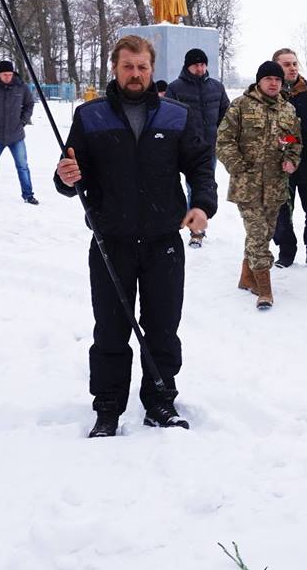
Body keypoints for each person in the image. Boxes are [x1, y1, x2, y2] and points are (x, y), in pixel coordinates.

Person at [54, 35, 216, 439]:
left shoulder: (176, 116)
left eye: (143, 67)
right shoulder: (90, 116)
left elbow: (199, 165)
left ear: (152, 69)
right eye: (128, 66)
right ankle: (107, 407)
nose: (135, 74)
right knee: (110, 328)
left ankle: (160, 401)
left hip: (164, 240)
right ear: (115, 67)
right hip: (112, 241)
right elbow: (72, 173)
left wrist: (202, 204)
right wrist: (65, 177)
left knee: (162, 326)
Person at [217, 60, 302, 309]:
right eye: (269, 79)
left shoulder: (288, 110)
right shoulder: (241, 105)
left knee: (263, 233)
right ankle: (264, 289)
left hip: (275, 185)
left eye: (277, 79)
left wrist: (291, 160)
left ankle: (246, 277)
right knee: (257, 234)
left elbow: (295, 142)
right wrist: (238, 166)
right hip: (247, 185)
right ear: (259, 81)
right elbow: (223, 140)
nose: (274, 83)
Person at [270, 48, 307, 270]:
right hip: (281, 162)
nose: (292, 68)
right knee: (282, 210)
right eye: (286, 65)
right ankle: (286, 252)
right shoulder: (272, 93)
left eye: (294, 63)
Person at [165, 48, 230, 247]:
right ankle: (176, 219)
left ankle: (196, 229)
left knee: (199, 186)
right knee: (176, 186)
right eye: (196, 65)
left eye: (203, 64)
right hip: (181, 147)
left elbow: (225, 116)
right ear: (188, 66)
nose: (200, 68)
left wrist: (222, 138)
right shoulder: (175, 88)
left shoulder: (217, 88)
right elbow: (169, 117)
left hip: (208, 148)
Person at [0, 60, 38, 204]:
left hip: (16, 135)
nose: (8, 77)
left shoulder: (20, 87)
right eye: (5, 75)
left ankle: (28, 195)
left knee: (23, 166)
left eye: (10, 74)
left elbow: (29, 104)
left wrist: (22, 121)